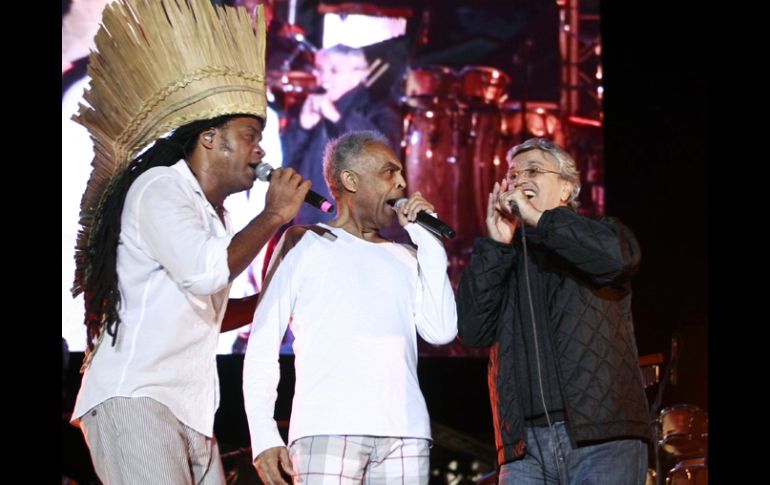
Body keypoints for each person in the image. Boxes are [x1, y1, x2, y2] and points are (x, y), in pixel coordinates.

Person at [68, 1, 311, 483]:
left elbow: (206, 309)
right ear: (209, 138)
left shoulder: (212, 214)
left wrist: (274, 300)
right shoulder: (160, 187)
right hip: (138, 398)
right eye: (250, 135)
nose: (261, 150)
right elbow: (206, 274)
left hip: (188, 408)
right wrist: (274, 215)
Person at [243, 130, 458, 485]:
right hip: (326, 429)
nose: (402, 183)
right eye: (389, 172)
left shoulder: (407, 255)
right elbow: (263, 345)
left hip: (405, 434)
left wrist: (428, 240)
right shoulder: (304, 241)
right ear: (351, 180)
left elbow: (442, 331)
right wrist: (264, 435)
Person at [456, 138, 650, 485]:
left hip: (601, 439)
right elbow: (472, 330)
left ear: (566, 188)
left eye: (533, 170)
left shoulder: (602, 233)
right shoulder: (505, 257)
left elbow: (618, 260)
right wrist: (495, 247)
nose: (519, 180)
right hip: (524, 449)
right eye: (513, 175)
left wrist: (539, 219)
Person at [281, 44, 402, 226]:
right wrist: (303, 128)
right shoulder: (315, 107)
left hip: (357, 229)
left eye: (334, 71)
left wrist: (337, 118)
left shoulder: (380, 108)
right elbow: (288, 165)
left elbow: (382, 157)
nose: (324, 78)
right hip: (309, 224)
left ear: (359, 74)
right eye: (321, 70)